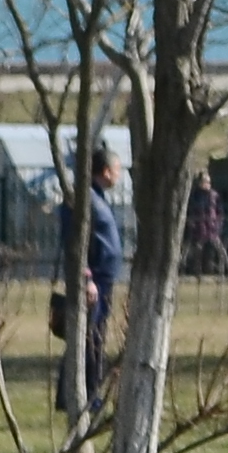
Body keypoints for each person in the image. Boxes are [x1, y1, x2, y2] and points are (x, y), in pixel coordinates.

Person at [78, 149, 129, 401]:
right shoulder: (85, 199)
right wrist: (86, 278)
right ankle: (85, 392)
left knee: (97, 336)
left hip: (105, 280)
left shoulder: (98, 198)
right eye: (117, 170)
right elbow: (76, 241)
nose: (119, 175)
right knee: (88, 336)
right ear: (106, 171)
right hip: (94, 281)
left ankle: (93, 389)